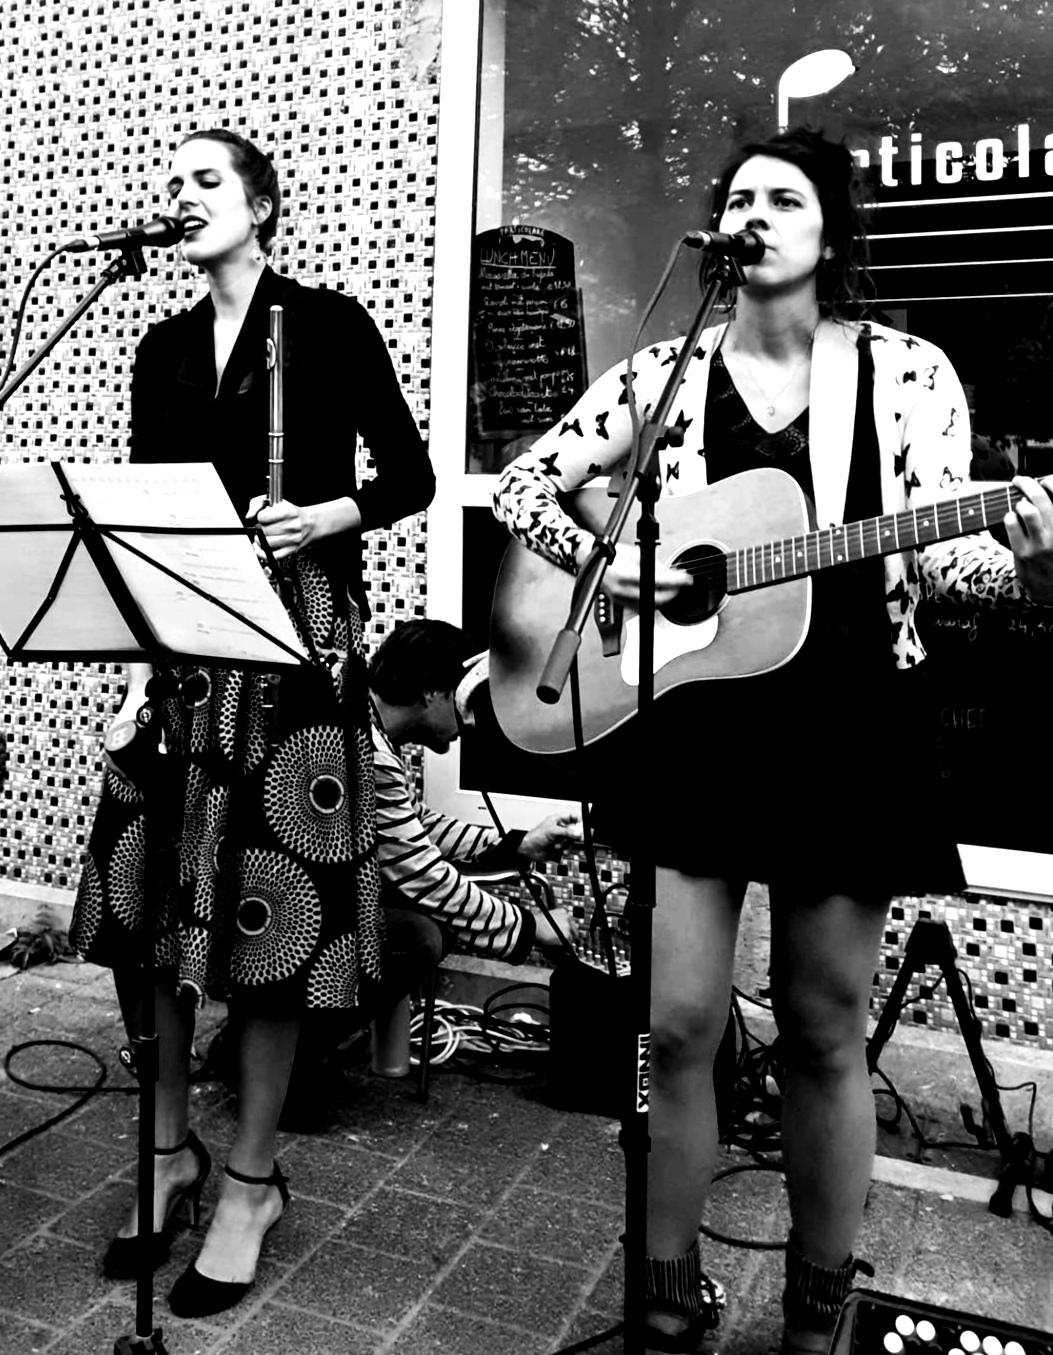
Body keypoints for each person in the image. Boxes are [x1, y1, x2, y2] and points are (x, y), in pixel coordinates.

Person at [492, 126, 1053, 1355]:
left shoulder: (906, 372)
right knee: (677, 1020)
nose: (752, 213)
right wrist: (616, 563)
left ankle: (817, 1293)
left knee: (820, 1025)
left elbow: (948, 557)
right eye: (737, 197)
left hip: (853, 722)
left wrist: (1020, 558)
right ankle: (664, 1284)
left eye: (782, 198)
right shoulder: (666, 372)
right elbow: (527, 483)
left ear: (833, 235)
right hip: (700, 717)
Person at [68, 127, 435, 1318]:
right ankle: (169, 1150)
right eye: (170, 185)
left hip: (298, 639)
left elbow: (414, 477)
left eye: (205, 182)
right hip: (184, 641)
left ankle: (250, 1179)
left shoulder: (326, 323)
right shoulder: (161, 346)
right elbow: (141, 514)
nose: (182, 200)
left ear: (262, 203)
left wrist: (330, 512)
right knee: (148, 905)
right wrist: (135, 676)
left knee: (271, 915)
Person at [368, 619, 579, 958]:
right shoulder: (372, 753)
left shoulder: (374, 735)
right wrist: (531, 926)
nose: (472, 720)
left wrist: (519, 844)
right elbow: (423, 876)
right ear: (432, 691)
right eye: (466, 697)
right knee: (421, 937)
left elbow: (416, 827)